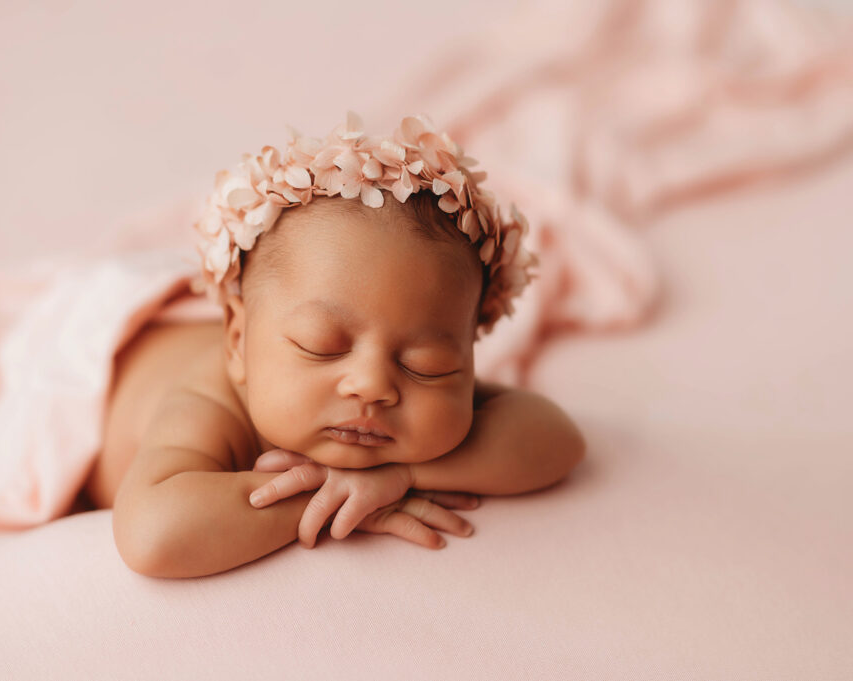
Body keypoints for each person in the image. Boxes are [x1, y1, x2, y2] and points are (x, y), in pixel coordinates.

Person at [86, 112, 586, 579]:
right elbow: (153, 534)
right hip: (111, 362)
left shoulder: (411, 384)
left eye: (425, 365)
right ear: (238, 343)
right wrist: (323, 496)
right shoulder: (210, 403)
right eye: (322, 347)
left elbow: (558, 440)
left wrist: (405, 474)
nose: (373, 385)